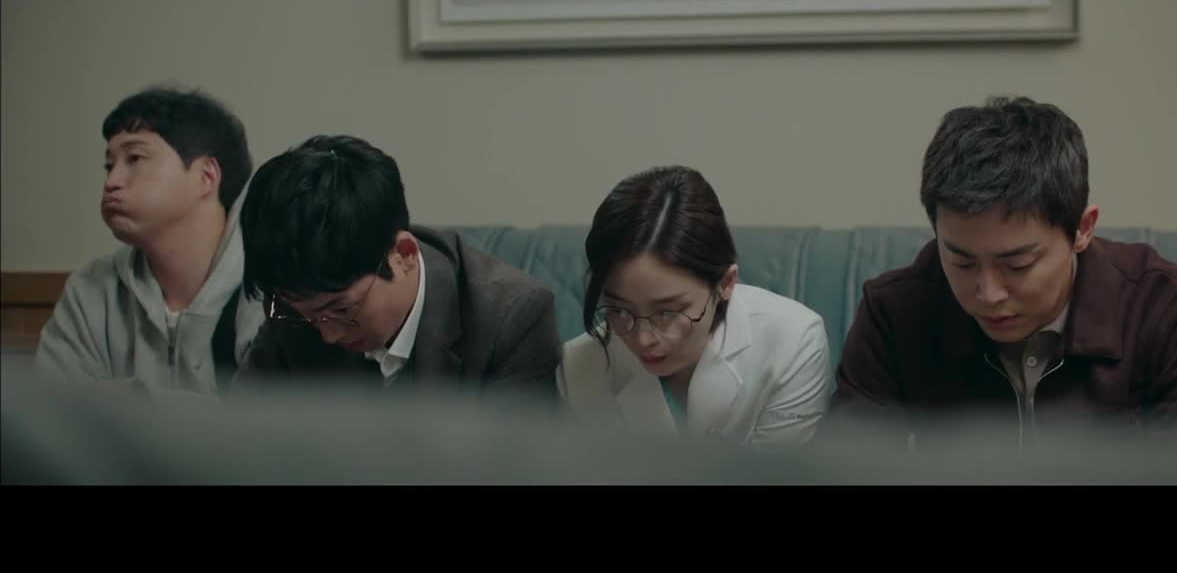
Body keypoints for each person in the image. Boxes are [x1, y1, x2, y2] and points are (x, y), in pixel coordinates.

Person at [826, 96, 1177, 449]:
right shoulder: (895, 312)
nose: (988, 293)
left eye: (1018, 265)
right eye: (962, 261)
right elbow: (846, 467)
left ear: (1082, 229)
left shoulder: (1170, 310)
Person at [233, 134, 561, 405]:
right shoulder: (296, 305)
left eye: (342, 310)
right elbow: (241, 435)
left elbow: (516, 458)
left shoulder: (510, 319)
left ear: (404, 255)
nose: (327, 335)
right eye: (303, 313)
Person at [557, 165, 832, 447]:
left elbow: (775, 471)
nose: (642, 339)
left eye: (667, 312)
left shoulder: (793, 343)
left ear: (726, 283)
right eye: (619, 310)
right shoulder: (579, 367)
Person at [36, 86, 260, 395]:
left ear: (206, 176)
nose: (111, 181)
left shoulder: (271, 288)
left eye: (135, 158)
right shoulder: (91, 290)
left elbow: (278, 417)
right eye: (109, 165)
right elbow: (53, 412)